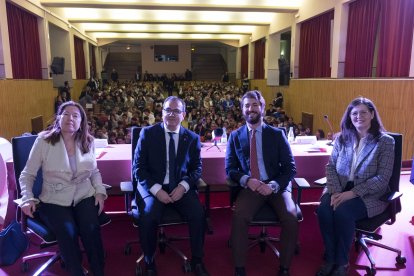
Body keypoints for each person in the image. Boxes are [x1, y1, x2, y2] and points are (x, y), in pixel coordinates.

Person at [19, 101, 108, 276]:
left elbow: (94, 171)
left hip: (83, 195)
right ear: (58, 118)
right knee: (68, 232)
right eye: (66, 114)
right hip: (54, 198)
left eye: (76, 115)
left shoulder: (88, 141)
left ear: (81, 121)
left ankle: (98, 271)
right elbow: (27, 174)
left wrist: (99, 191)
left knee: (91, 228)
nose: (70, 118)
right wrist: (27, 197)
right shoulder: (44, 141)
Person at [316, 97, 395, 276]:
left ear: (372, 114)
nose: (358, 116)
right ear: (349, 116)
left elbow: (382, 178)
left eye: (363, 112)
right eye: (354, 113)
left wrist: (352, 194)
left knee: (344, 212)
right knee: (324, 210)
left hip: (370, 193)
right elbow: (330, 167)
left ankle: (342, 263)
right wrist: (336, 192)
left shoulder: (385, 142)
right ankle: (330, 257)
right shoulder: (342, 138)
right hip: (339, 187)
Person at [133, 96, 209, 276]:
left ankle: (197, 260)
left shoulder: (191, 138)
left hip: (179, 187)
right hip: (154, 188)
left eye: (176, 111)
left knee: (198, 215)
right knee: (149, 216)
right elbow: (139, 169)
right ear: (162, 113)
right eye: (168, 110)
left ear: (183, 115)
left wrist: (183, 186)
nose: (171, 114)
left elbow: (196, 169)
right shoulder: (148, 134)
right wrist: (156, 190)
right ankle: (149, 262)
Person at [225, 90, 297, 276]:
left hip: (276, 186)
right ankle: (240, 268)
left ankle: (284, 267)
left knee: (290, 216)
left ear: (263, 108)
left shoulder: (277, 134)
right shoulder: (235, 136)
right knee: (239, 216)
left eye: (255, 105)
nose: (251, 109)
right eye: (247, 105)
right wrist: (247, 180)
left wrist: (272, 185)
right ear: (242, 110)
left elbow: (290, 168)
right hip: (251, 187)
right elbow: (230, 169)